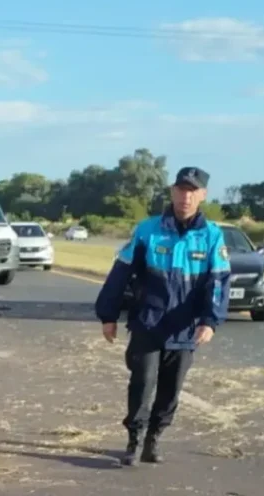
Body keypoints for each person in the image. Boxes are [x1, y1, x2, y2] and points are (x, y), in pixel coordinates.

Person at [94, 166, 230, 466]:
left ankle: (154, 438)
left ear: (202, 195)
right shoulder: (148, 230)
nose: (185, 197)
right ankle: (134, 439)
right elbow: (120, 273)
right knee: (142, 383)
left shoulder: (211, 236)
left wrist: (210, 321)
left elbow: (218, 282)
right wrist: (108, 315)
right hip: (148, 323)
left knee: (170, 391)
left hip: (184, 329)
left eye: (192, 191)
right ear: (172, 192)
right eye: (181, 190)